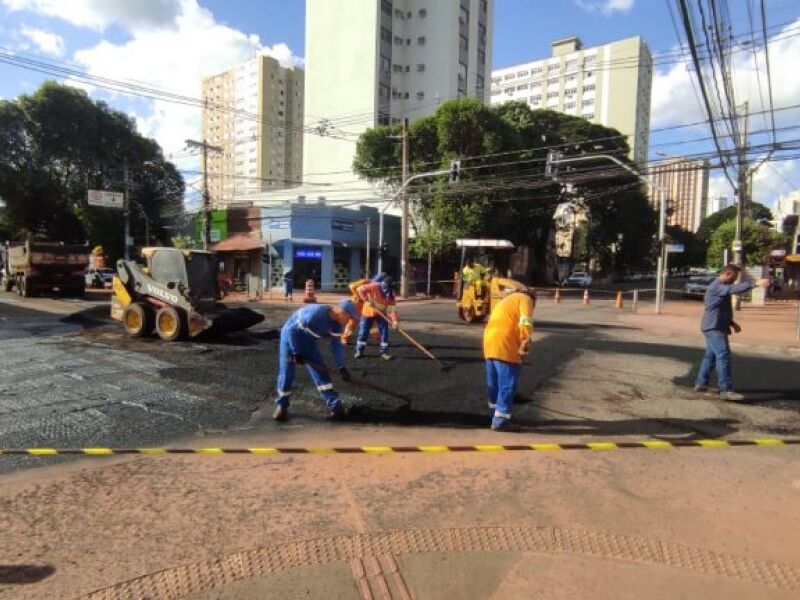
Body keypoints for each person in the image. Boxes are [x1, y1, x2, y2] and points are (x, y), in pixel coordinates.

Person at [272, 299, 360, 421]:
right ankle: (282, 405)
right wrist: (296, 352)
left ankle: (335, 406)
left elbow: (336, 346)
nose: (349, 323)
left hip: (308, 341)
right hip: (289, 339)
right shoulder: (315, 313)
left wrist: (341, 367)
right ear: (343, 312)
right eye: (349, 319)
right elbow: (292, 330)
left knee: (321, 371)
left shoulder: (337, 325)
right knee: (287, 373)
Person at [694, 265, 770, 401]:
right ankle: (726, 390)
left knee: (711, 356)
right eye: (734, 278)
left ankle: (701, 383)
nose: (734, 281)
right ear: (728, 274)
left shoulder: (720, 288)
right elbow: (733, 289)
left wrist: (732, 323)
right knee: (723, 355)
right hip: (714, 327)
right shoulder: (717, 286)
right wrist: (755, 284)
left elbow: (720, 309)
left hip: (714, 325)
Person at [483, 288, 535, 431]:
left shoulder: (506, 301)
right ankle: (501, 420)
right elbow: (525, 321)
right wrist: (525, 341)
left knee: (494, 382)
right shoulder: (526, 299)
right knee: (507, 383)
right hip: (505, 343)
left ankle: (495, 413)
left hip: (489, 342)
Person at [355, 275, 398, 360]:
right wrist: (366, 299)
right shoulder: (374, 286)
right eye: (386, 287)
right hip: (368, 312)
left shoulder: (391, 293)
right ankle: (359, 350)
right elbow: (359, 289)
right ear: (383, 284)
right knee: (363, 331)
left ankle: (384, 352)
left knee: (384, 332)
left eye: (390, 288)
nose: (387, 289)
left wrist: (394, 321)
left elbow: (392, 308)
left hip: (381, 314)